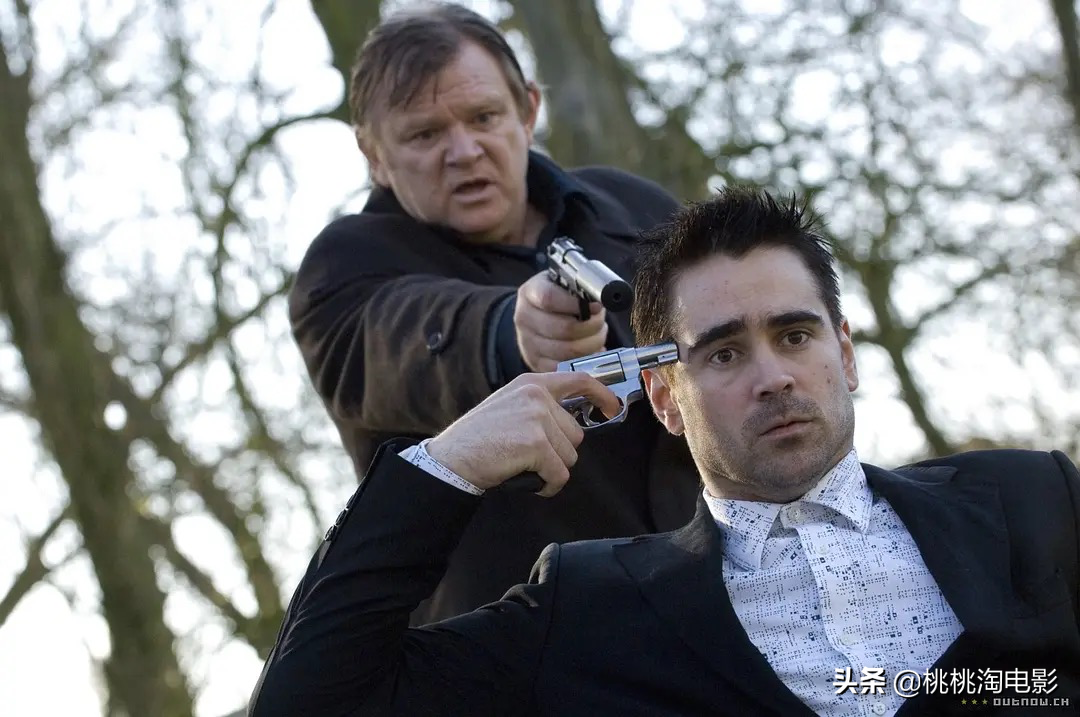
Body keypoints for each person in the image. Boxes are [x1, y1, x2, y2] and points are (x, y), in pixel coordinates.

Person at [252, 187, 1080, 716]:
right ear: (663, 398)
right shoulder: (588, 610)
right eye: (723, 353)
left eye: (795, 335)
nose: (772, 376)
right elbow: (314, 701)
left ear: (847, 352)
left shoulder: (1032, 499)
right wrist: (449, 463)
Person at [289, 4, 700, 624]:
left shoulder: (633, 206)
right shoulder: (345, 264)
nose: (463, 151)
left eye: (483, 117)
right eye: (424, 134)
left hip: (715, 597)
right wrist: (510, 332)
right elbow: (399, 341)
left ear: (528, 110)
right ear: (373, 154)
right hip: (516, 638)